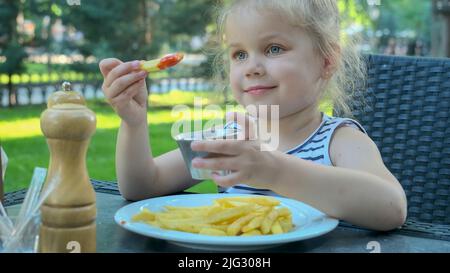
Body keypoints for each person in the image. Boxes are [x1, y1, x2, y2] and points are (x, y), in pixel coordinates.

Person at [99, 0, 407, 231]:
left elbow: (391, 209)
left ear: (326, 62)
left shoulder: (339, 140)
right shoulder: (228, 137)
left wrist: (271, 169)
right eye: (239, 54)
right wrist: (134, 122)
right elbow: (141, 187)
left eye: (274, 48)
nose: (252, 67)